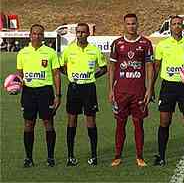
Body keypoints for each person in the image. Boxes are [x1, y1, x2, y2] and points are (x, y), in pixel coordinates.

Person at [152, 15, 184, 166]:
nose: (177, 26)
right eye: (174, 24)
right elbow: (156, 67)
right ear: (170, 27)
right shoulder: (162, 45)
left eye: (179, 24)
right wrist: (151, 87)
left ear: (183, 26)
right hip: (168, 87)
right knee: (165, 121)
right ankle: (161, 156)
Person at [108, 14, 154, 167]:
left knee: (138, 124)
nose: (131, 26)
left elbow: (149, 67)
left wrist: (149, 88)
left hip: (138, 92)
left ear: (137, 24)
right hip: (121, 92)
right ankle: (117, 156)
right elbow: (112, 67)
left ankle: (140, 156)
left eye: (133, 23)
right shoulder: (117, 43)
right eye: (128, 24)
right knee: (120, 124)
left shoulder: (146, 43)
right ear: (124, 25)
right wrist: (111, 90)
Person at [60, 23, 107, 166]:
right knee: (71, 120)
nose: (80, 34)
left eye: (83, 32)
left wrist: (91, 76)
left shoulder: (94, 50)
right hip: (74, 88)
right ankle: (70, 156)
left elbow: (104, 68)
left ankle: (93, 156)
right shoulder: (68, 50)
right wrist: (70, 76)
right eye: (78, 32)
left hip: (89, 88)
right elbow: (61, 66)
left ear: (88, 34)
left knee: (91, 121)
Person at [16, 24, 61, 167]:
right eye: (34, 34)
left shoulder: (50, 52)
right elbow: (19, 75)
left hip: (45, 91)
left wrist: (58, 95)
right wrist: (16, 86)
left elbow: (56, 74)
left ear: (43, 36)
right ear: (30, 35)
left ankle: (50, 157)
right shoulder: (22, 53)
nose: (37, 36)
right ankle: (28, 158)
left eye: (40, 34)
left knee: (48, 123)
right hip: (28, 92)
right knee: (29, 124)